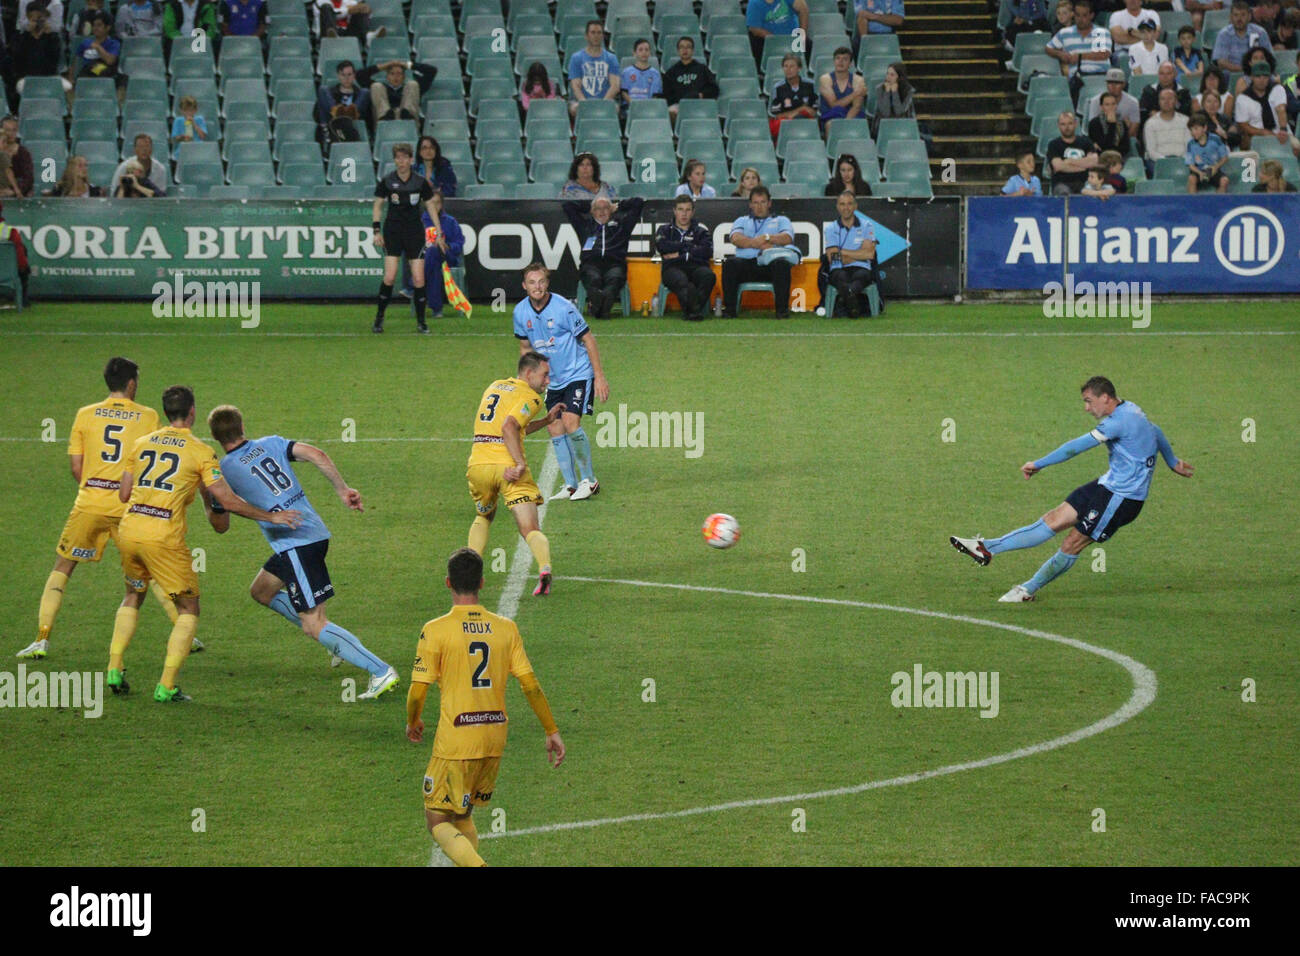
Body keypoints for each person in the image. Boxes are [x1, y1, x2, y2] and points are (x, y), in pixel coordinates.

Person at [107, 386, 302, 701]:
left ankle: (114, 668)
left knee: (132, 595)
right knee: (188, 608)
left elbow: (124, 494)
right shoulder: (200, 452)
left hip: (129, 530)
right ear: (193, 412)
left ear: (166, 412)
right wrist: (270, 516)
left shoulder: (140, 444)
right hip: (163, 538)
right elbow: (225, 499)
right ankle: (166, 686)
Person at [206, 405, 399, 699]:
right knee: (261, 591)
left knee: (314, 624)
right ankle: (334, 640)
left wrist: (215, 500)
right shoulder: (271, 442)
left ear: (215, 437)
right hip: (309, 536)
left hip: (297, 543)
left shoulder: (225, 469)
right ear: (242, 425)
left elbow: (223, 521)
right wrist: (342, 490)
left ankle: (380, 670)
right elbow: (317, 455)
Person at [950, 376, 1193, 603]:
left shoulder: (1118, 422)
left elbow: (1076, 447)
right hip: (1107, 485)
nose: (1087, 408)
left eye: (1089, 401)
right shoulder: (1130, 408)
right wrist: (1172, 461)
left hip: (1122, 499)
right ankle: (987, 548)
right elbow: (1155, 429)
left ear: (1105, 398)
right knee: (1053, 519)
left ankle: (1027, 590)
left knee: (1072, 542)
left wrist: (1039, 464)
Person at [18, 359, 189, 661]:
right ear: (132, 383)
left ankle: (42, 638)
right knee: (145, 573)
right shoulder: (148, 416)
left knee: (63, 567)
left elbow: (76, 467)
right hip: (128, 508)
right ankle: (186, 629)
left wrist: (96, 487)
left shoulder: (84, 415)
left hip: (89, 504)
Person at [405, 547, 565, 867]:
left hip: (457, 741)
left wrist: (414, 721)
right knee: (461, 813)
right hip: (494, 738)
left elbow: (417, 690)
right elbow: (530, 685)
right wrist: (551, 730)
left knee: (437, 821)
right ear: (482, 583)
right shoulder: (506, 629)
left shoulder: (436, 629)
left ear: (448, 583)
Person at [513, 264, 610, 503]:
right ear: (524, 286)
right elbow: (525, 349)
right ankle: (570, 484)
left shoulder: (564, 308)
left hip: (578, 372)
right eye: (532, 282)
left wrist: (599, 375)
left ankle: (589, 480)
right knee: (554, 427)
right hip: (552, 380)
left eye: (541, 281)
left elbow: (588, 339)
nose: (537, 287)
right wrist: (524, 383)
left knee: (569, 421)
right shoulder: (520, 312)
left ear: (547, 284)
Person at [371, 143, 438, 334]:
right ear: (394, 160)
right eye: (397, 158)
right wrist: (376, 230)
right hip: (393, 231)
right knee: (390, 277)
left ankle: (421, 322)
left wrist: (437, 230)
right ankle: (379, 318)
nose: (401, 162)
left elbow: (431, 205)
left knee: (418, 278)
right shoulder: (387, 181)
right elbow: (378, 206)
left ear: (411, 160)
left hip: (414, 232)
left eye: (404, 158)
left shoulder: (420, 182)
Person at [561, 194, 645, 320]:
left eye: (605, 208)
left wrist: (619, 205)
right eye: (598, 208)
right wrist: (588, 206)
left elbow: (638, 202)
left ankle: (598, 309)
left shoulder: (621, 226)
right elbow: (567, 206)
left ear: (611, 210)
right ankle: (603, 310)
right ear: (592, 211)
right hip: (591, 264)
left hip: (615, 264)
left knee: (614, 279)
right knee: (593, 279)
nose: (602, 212)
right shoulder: (584, 225)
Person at [721, 185, 798, 318]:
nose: (759, 206)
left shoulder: (781, 220)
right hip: (746, 264)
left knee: (782, 265)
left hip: (769, 264)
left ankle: (782, 312)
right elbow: (735, 238)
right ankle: (729, 311)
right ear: (750, 204)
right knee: (730, 263)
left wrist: (767, 237)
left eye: (763, 202)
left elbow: (787, 238)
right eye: (755, 203)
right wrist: (756, 243)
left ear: (769, 203)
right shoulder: (742, 220)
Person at [654, 195, 715, 321]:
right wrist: (689, 247)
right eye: (681, 209)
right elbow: (662, 246)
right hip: (672, 267)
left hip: (697, 267)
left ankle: (691, 311)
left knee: (709, 276)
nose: (684, 214)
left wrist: (679, 252)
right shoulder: (664, 230)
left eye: (687, 210)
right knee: (682, 281)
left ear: (693, 212)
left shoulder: (701, 232)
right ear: (674, 211)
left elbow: (707, 251)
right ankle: (694, 311)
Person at [823, 190, 879, 317]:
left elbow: (869, 254)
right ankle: (853, 305)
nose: (846, 208)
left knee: (861, 275)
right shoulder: (831, 228)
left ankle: (848, 301)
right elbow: (833, 257)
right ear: (837, 207)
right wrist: (859, 254)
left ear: (855, 206)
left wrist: (843, 252)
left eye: (849, 204)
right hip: (839, 269)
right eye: (842, 204)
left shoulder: (866, 225)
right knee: (841, 277)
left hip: (861, 267)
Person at [1045, 0, 1112, 102]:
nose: (1081, 19)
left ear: (1091, 15)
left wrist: (1079, 56)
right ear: (1074, 15)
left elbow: (1103, 54)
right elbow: (1048, 48)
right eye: (1078, 15)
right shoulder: (1065, 33)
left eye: (1084, 15)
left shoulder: (1099, 32)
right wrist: (1060, 54)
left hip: (1100, 75)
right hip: (1078, 77)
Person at [1234, 59, 1300, 156]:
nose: (1262, 79)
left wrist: (1283, 129)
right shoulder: (1243, 98)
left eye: (1265, 76)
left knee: (1297, 147)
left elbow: (1281, 109)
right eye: (1258, 76)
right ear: (1252, 77)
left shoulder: (1278, 88)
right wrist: (1264, 133)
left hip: (1281, 133)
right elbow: (1243, 125)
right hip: (1256, 136)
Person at [417, 190, 464, 316]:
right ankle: (436, 309)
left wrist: (447, 245)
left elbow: (459, 243)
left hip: (448, 257)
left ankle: (412, 285)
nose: (434, 206)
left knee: (433, 252)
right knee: (434, 266)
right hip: (427, 260)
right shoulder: (420, 221)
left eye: (437, 203)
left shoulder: (450, 221)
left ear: (442, 204)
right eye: (431, 203)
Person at [13, 2, 70, 97]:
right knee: (20, 86)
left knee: (68, 86)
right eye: (34, 20)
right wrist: (29, 35)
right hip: (27, 78)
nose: (37, 23)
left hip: (49, 77)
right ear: (28, 18)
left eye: (40, 19)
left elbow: (54, 60)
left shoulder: (53, 38)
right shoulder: (21, 38)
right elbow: (18, 61)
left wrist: (49, 35)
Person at [568, 19, 621, 118]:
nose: (596, 36)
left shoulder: (611, 58)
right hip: (582, 101)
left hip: (605, 100)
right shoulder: (576, 58)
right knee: (574, 108)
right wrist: (586, 105)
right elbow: (575, 86)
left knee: (615, 108)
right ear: (586, 35)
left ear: (602, 36)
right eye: (593, 33)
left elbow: (615, 86)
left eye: (599, 33)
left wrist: (602, 105)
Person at [663, 36, 719, 121]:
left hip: (699, 104)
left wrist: (701, 95)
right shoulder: (671, 72)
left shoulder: (702, 69)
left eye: (688, 47)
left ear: (692, 50)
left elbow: (714, 89)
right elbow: (667, 94)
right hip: (679, 107)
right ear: (678, 51)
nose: (685, 50)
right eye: (682, 47)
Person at [362, 60, 436, 122]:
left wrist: (408, 65)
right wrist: (384, 66)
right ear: (387, 77)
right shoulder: (382, 89)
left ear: (404, 77)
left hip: (409, 125)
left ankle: (407, 114)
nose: (396, 77)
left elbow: (432, 71)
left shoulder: (412, 90)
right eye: (392, 73)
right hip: (383, 125)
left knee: (412, 84)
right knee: (376, 86)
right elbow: (360, 76)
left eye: (399, 73)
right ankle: (385, 116)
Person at [1046, 110, 1099, 194]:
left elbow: (1093, 162)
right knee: (1063, 193)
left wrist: (1070, 161)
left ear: (1075, 124)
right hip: (1061, 183)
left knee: (1094, 192)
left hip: (1085, 183)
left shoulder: (1086, 142)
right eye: (1063, 124)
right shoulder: (1053, 144)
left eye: (1070, 123)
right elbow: (1059, 166)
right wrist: (1083, 166)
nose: (1067, 127)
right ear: (1058, 126)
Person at [316, 60, 369, 146]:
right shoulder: (330, 93)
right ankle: (338, 114)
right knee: (323, 89)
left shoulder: (360, 94)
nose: (346, 78)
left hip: (353, 124)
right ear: (338, 76)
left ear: (354, 75)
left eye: (349, 74)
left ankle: (348, 114)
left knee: (365, 91)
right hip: (334, 126)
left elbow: (366, 115)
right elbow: (319, 113)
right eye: (343, 75)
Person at [1212, 0, 1272, 74]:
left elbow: (1269, 57)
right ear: (1231, 17)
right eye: (1236, 15)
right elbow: (1221, 62)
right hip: (1232, 74)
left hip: (1257, 73)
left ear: (1249, 16)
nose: (1239, 19)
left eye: (1243, 15)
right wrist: (1244, 69)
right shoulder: (1223, 35)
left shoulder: (1260, 33)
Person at [768, 54, 818, 138]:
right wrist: (801, 109)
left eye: (792, 66)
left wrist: (794, 114)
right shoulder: (778, 88)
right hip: (786, 124)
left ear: (799, 68)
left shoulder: (810, 85)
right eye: (785, 66)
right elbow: (778, 115)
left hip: (805, 123)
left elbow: (813, 112)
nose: (788, 70)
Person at [1084, 68, 1140, 141]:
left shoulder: (1133, 102)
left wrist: (1121, 139)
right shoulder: (1095, 101)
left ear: (1123, 84)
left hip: (1123, 142)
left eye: (1117, 83)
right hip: (1101, 140)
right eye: (1110, 83)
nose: (1113, 86)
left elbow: (1134, 129)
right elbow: (1093, 127)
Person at [1144, 87, 1192, 171]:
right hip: (1158, 161)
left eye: (1170, 98)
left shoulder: (1186, 121)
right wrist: (1166, 162)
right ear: (1159, 102)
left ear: (1176, 101)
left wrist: (1179, 160)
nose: (1166, 102)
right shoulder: (1150, 123)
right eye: (1163, 99)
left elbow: (1189, 147)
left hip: (1181, 160)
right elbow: (1151, 151)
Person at [820, 46, 868, 126]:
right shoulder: (826, 79)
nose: (840, 62)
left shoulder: (858, 80)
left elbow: (856, 107)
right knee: (831, 124)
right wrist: (855, 94)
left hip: (853, 115)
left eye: (845, 59)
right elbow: (834, 105)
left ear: (850, 63)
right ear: (834, 61)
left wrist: (845, 123)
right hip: (832, 115)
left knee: (856, 124)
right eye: (838, 58)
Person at [1184, 110, 1230, 191]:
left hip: (1214, 169)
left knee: (1224, 181)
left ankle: (1219, 203)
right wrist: (1200, 173)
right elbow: (1191, 165)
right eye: (1191, 130)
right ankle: (1192, 203)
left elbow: (1225, 158)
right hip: (1199, 170)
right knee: (1191, 179)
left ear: (1204, 128)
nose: (1193, 132)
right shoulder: (1190, 144)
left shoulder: (1216, 139)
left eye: (1196, 129)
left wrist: (1215, 167)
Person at [1138, 61, 1193, 127]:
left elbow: (1186, 113)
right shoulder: (1149, 91)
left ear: (1175, 75)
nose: (1165, 77)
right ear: (1158, 74)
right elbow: (1143, 111)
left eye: (1168, 74)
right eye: (1162, 73)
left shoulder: (1183, 93)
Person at [871, 62, 917, 140]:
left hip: (902, 126)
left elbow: (899, 112)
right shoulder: (880, 88)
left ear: (899, 77)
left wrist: (895, 92)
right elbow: (885, 113)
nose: (888, 77)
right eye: (887, 74)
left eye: (892, 75)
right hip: (882, 127)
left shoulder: (908, 90)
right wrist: (887, 92)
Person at [74, 11, 119, 80]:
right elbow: (75, 62)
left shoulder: (114, 43)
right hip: (86, 73)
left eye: (99, 25)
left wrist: (97, 47)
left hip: (104, 74)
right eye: (94, 25)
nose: (95, 28)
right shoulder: (86, 43)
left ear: (108, 27)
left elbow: (110, 61)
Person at [1088, 91, 1133, 155]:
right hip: (1102, 158)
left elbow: (1126, 147)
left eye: (1113, 104)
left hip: (1120, 157)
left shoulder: (1122, 123)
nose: (1111, 107)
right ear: (1101, 107)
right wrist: (1112, 124)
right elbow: (1105, 147)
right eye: (1107, 104)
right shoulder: (1094, 123)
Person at [621, 38, 663, 106]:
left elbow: (655, 95)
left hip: (648, 107)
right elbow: (624, 92)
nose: (644, 52)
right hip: (630, 107)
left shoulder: (655, 74)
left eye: (646, 50)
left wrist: (646, 106)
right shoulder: (626, 72)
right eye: (640, 50)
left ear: (650, 53)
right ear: (634, 53)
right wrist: (633, 105)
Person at [0, 117, 34, 199]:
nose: (11, 133)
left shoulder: (23, 153)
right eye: (8, 130)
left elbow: (28, 178)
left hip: (14, 194)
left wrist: (14, 191)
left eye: (14, 130)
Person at [169, 95, 209, 162]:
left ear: (195, 110)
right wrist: (182, 137)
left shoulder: (200, 119)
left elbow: (203, 136)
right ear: (181, 111)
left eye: (191, 110)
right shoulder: (178, 120)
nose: (188, 113)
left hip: (198, 148)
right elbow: (175, 138)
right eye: (185, 110)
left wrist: (194, 124)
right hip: (184, 149)